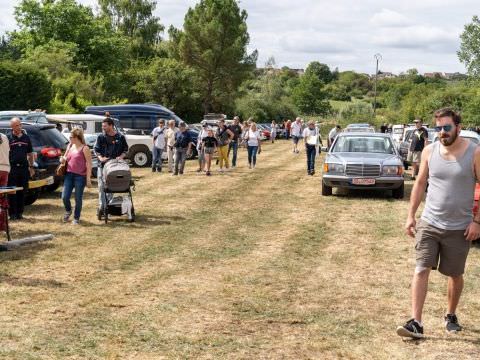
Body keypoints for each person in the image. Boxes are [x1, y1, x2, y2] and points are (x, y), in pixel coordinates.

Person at [397, 108, 480, 339]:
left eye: (447, 127)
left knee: (454, 274)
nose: (442, 132)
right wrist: (411, 215)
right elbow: (420, 183)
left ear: (458, 127)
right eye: (439, 128)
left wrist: (477, 221)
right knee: (421, 268)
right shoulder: (429, 151)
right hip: (430, 222)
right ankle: (416, 323)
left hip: (459, 227)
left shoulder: (474, 153)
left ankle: (451, 314)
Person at [94, 116, 129, 216]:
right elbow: (96, 150)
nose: (103, 128)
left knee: (112, 186)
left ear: (111, 126)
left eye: (105, 126)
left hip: (115, 166)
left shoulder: (120, 137)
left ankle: (109, 206)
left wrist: (121, 157)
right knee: (102, 187)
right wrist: (101, 158)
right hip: (103, 166)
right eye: (102, 126)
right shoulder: (100, 137)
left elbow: (125, 150)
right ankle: (102, 208)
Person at [61, 128, 92, 224]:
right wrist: (62, 159)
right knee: (64, 197)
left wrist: (88, 179)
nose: (69, 138)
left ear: (76, 137)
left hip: (80, 176)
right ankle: (68, 210)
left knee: (78, 198)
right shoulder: (70, 145)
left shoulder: (85, 148)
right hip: (69, 174)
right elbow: (65, 158)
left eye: (71, 136)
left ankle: (76, 217)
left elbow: (89, 164)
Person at [7, 118, 35, 220]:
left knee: (22, 191)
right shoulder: (8, 138)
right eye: (16, 125)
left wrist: (31, 167)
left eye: (20, 125)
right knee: (12, 191)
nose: (19, 127)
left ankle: (20, 213)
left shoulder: (26, 138)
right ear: (12, 127)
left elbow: (30, 153)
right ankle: (12, 214)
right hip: (12, 168)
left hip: (24, 168)